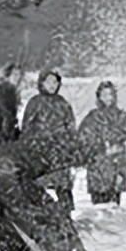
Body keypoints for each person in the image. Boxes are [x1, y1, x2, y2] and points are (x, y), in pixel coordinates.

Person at [20, 68, 77, 213]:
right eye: (49, 81)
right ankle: (41, 216)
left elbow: (70, 127)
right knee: (36, 186)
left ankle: (66, 216)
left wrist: (71, 148)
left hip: (59, 154)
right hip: (40, 154)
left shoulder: (62, 103)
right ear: (42, 83)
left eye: (55, 82)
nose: (52, 85)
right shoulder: (35, 103)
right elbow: (26, 129)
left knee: (63, 187)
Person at [77, 81, 126, 206]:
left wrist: (117, 138)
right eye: (104, 94)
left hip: (116, 165)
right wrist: (99, 144)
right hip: (98, 165)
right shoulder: (92, 116)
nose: (108, 98)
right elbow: (82, 137)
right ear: (99, 96)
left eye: (110, 94)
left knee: (114, 205)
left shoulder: (120, 115)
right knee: (98, 204)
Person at [0, 62, 22, 143]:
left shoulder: (12, 89)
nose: (17, 77)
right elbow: (3, 112)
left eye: (19, 74)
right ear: (8, 75)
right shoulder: (0, 89)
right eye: (15, 74)